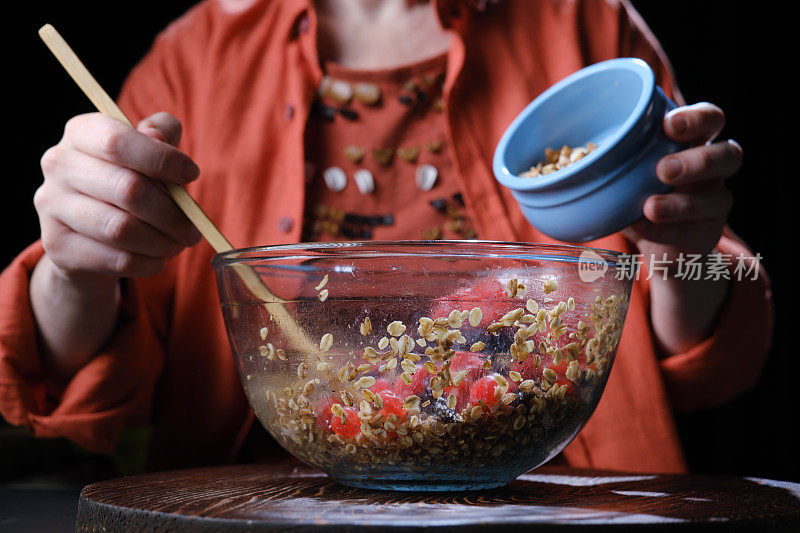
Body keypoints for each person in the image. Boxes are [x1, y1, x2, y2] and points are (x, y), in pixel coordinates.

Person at [0, 0, 771, 472]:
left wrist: (680, 256)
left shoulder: (587, 25)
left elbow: (699, 361)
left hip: (557, 492)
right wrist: (74, 268)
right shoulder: (196, 60)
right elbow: (93, 395)